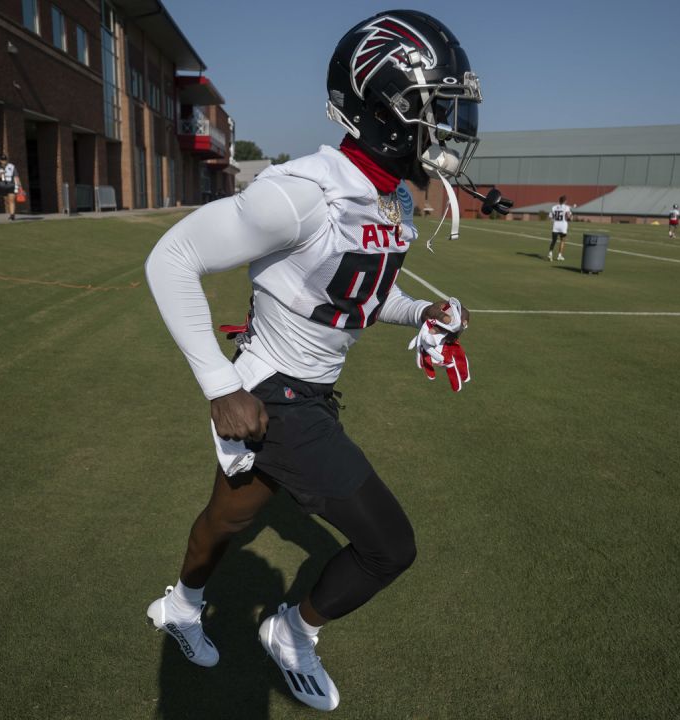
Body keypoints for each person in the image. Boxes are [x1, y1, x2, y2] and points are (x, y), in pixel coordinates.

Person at [142, 10, 482, 712]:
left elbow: (352, 300)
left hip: (306, 393)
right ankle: (291, 632)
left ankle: (181, 605)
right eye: (431, 109)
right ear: (380, 108)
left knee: (228, 520)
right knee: (390, 546)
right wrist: (216, 384)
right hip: (274, 395)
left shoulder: (390, 197)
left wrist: (423, 313)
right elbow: (171, 257)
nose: (445, 126)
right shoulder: (299, 194)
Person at [0, 154, 21, 220]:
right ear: (0, 160)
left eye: (5, 160)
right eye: (2, 160)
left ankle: (12, 215)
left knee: (11, 200)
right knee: (7, 201)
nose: (4, 161)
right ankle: (10, 213)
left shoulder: (12, 167)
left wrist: (19, 186)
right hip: (2, 186)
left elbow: (16, 177)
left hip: (11, 185)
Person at [547, 194, 571, 262]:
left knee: (553, 241)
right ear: (565, 201)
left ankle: (550, 253)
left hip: (556, 226)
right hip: (563, 226)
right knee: (562, 240)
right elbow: (568, 216)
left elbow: (550, 217)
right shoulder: (566, 207)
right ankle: (559, 255)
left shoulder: (554, 207)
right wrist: (570, 218)